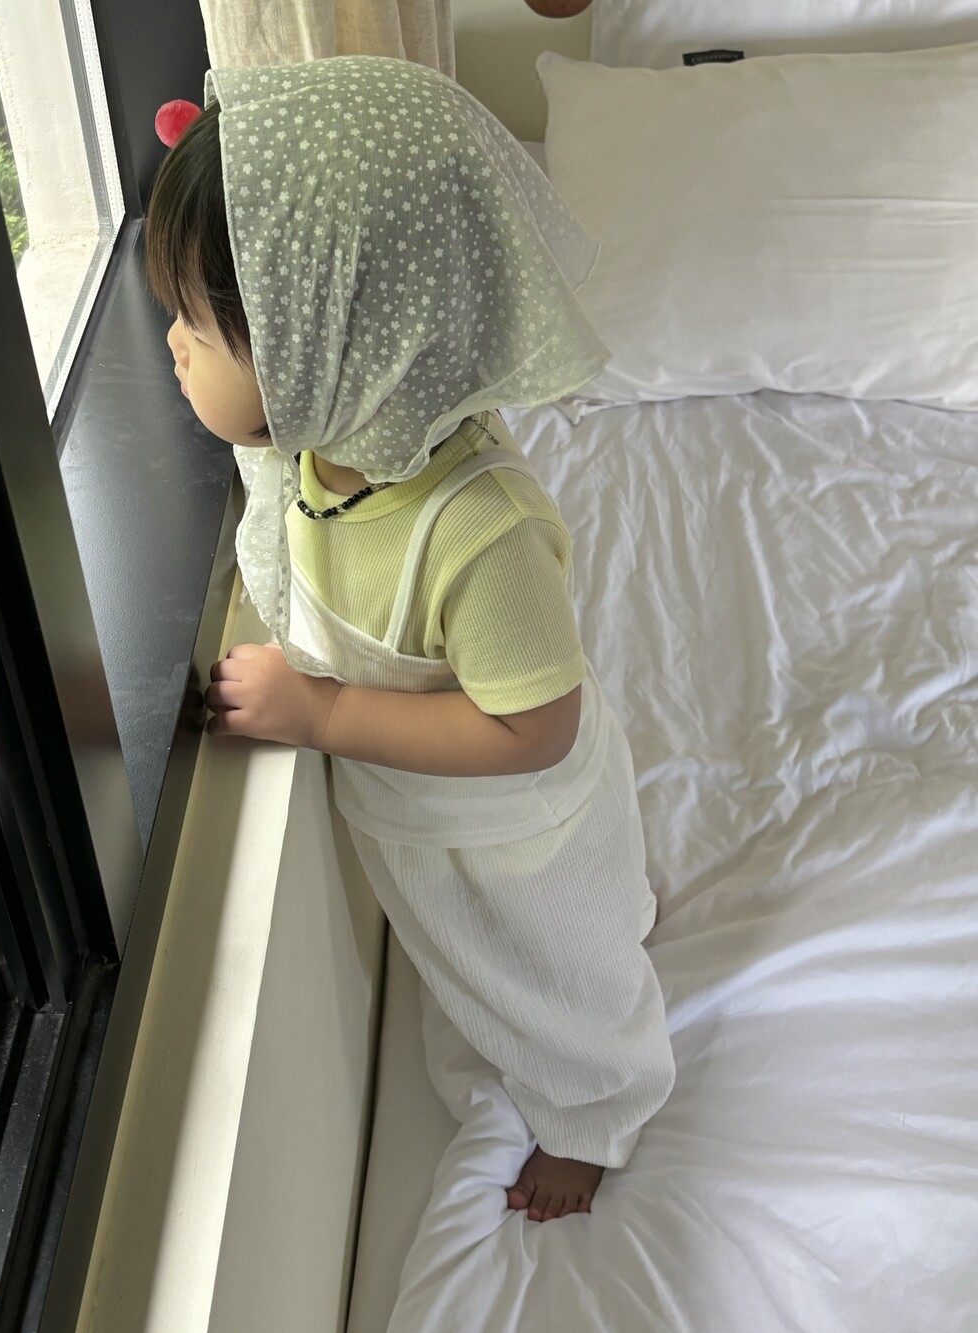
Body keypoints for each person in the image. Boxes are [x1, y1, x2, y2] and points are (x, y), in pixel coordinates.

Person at [145, 55, 675, 1223]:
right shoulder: (324, 444)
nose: (171, 346)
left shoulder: (481, 531)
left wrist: (321, 713)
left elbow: (535, 730)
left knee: (558, 979)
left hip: (510, 833)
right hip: (427, 817)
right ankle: (627, 913)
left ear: (329, 344)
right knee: (524, 939)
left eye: (197, 325)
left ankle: (604, 1109)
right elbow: (290, 545)